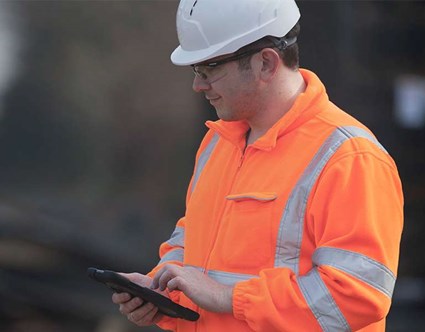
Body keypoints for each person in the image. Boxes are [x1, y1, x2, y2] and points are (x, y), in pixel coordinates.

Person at [112, 0, 403, 331]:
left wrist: (229, 297)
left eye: (210, 69)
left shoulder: (349, 157)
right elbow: (191, 240)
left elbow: (358, 294)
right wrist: (161, 290)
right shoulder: (218, 143)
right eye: (197, 70)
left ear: (266, 63)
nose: (199, 85)